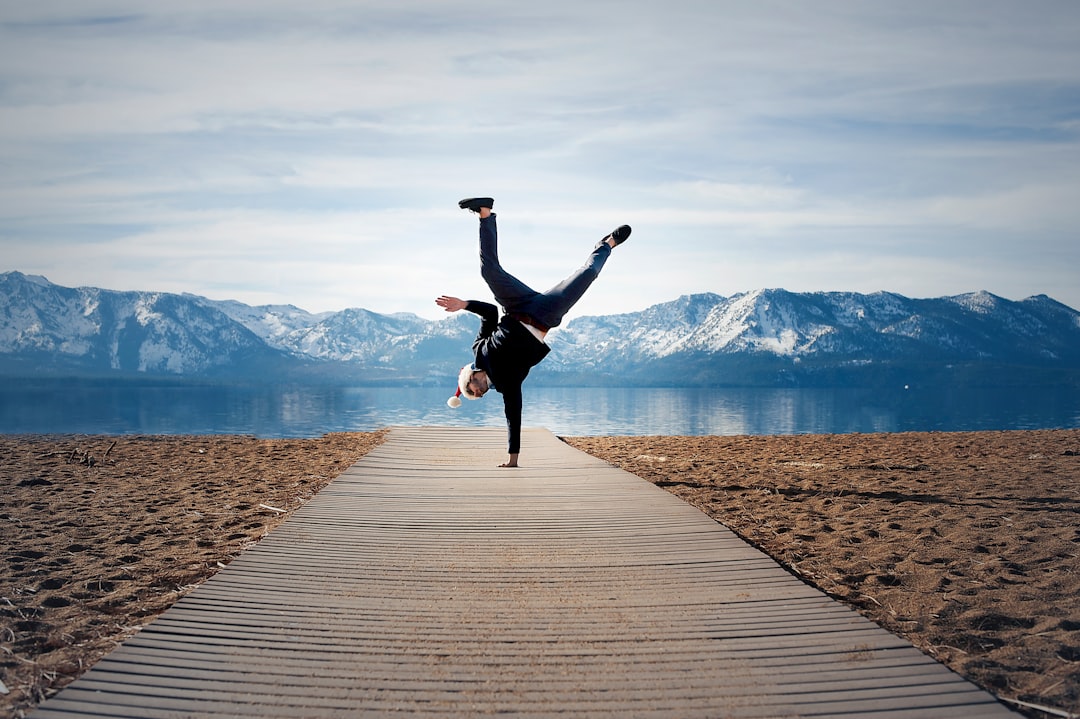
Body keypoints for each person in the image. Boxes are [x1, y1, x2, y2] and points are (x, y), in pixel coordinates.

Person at [437, 197, 630, 467]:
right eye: (476, 395)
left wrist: (464, 304)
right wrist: (512, 459)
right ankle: (607, 244)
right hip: (545, 314)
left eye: (471, 391)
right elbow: (513, 415)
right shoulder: (506, 385)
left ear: (470, 378)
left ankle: (484, 213)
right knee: (586, 275)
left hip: (515, 304)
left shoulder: (478, 350)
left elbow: (490, 312)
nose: (477, 394)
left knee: (489, 271)